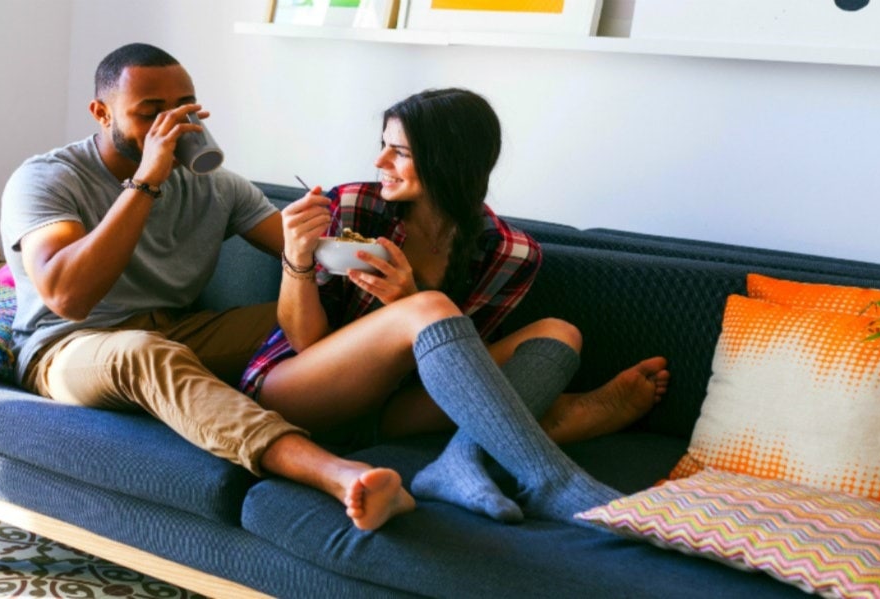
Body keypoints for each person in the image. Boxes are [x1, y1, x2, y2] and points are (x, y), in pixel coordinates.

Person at [0, 43, 414, 531]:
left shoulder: (216, 185)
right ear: (100, 112)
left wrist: (375, 260)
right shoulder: (47, 179)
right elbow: (69, 297)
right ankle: (339, 474)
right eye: (150, 112)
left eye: (184, 107)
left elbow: (312, 258)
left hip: (178, 330)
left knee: (318, 313)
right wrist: (146, 180)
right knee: (143, 352)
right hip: (68, 349)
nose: (171, 123)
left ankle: (398, 432)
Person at [241, 88, 670, 525]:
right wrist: (296, 257)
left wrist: (410, 304)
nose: (380, 162)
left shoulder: (511, 252)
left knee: (560, 332)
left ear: (449, 159)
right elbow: (304, 340)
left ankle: (462, 459)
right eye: (383, 146)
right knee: (429, 308)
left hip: (396, 409)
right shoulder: (351, 207)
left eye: (400, 152)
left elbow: (462, 379)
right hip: (297, 391)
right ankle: (550, 476)